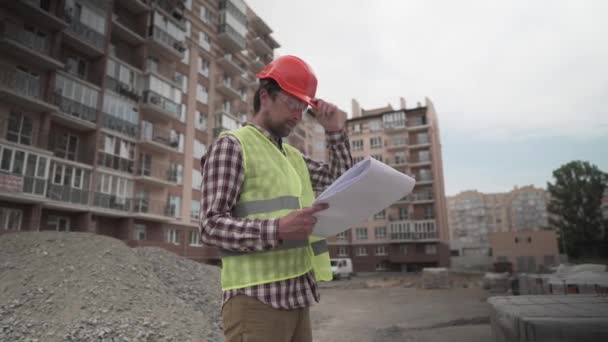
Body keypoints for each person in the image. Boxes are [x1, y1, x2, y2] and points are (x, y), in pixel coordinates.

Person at [199, 55, 352, 342]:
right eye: (292, 103)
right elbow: (210, 225)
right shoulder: (232, 145)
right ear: (265, 97)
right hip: (255, 300)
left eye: (303, 107)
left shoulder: (291, 156)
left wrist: (334, 132)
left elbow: (342, 182)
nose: (297, 114)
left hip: (297, 297)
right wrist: (277, 229)